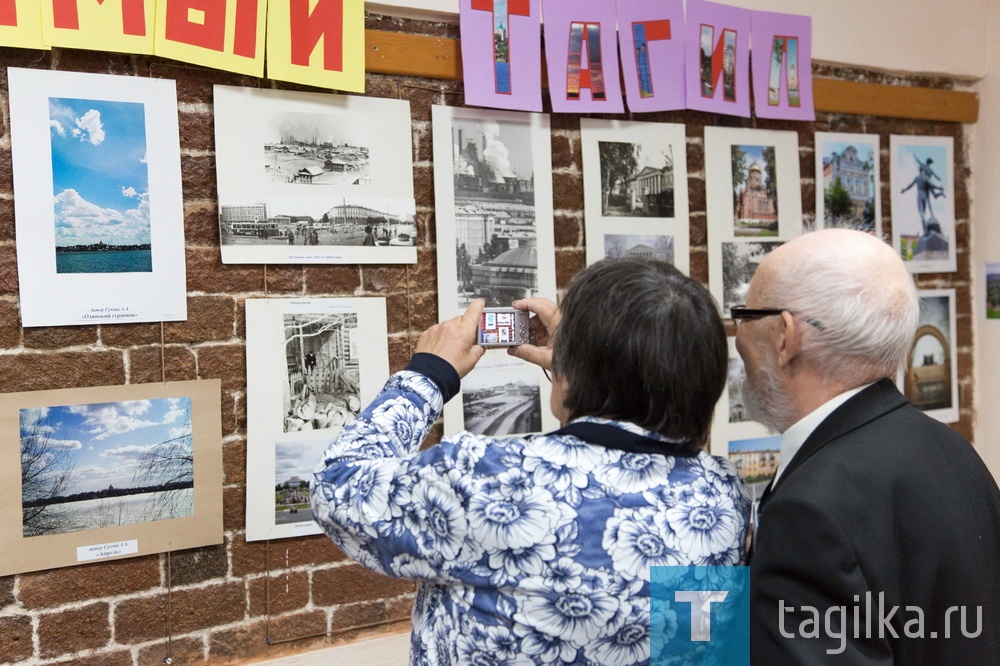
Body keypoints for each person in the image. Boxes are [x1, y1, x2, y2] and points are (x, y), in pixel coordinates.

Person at [311, 258, 750, 664]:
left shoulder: (489, 478)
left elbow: (337, 485)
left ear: (568, 374)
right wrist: (581, 368)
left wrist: (428, 375)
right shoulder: (724, 496)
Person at [735, 229, 1000, 664]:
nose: (738, 335)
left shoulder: (810, 509)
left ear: (786, 336)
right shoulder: (955, 452)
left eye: (744, 315)